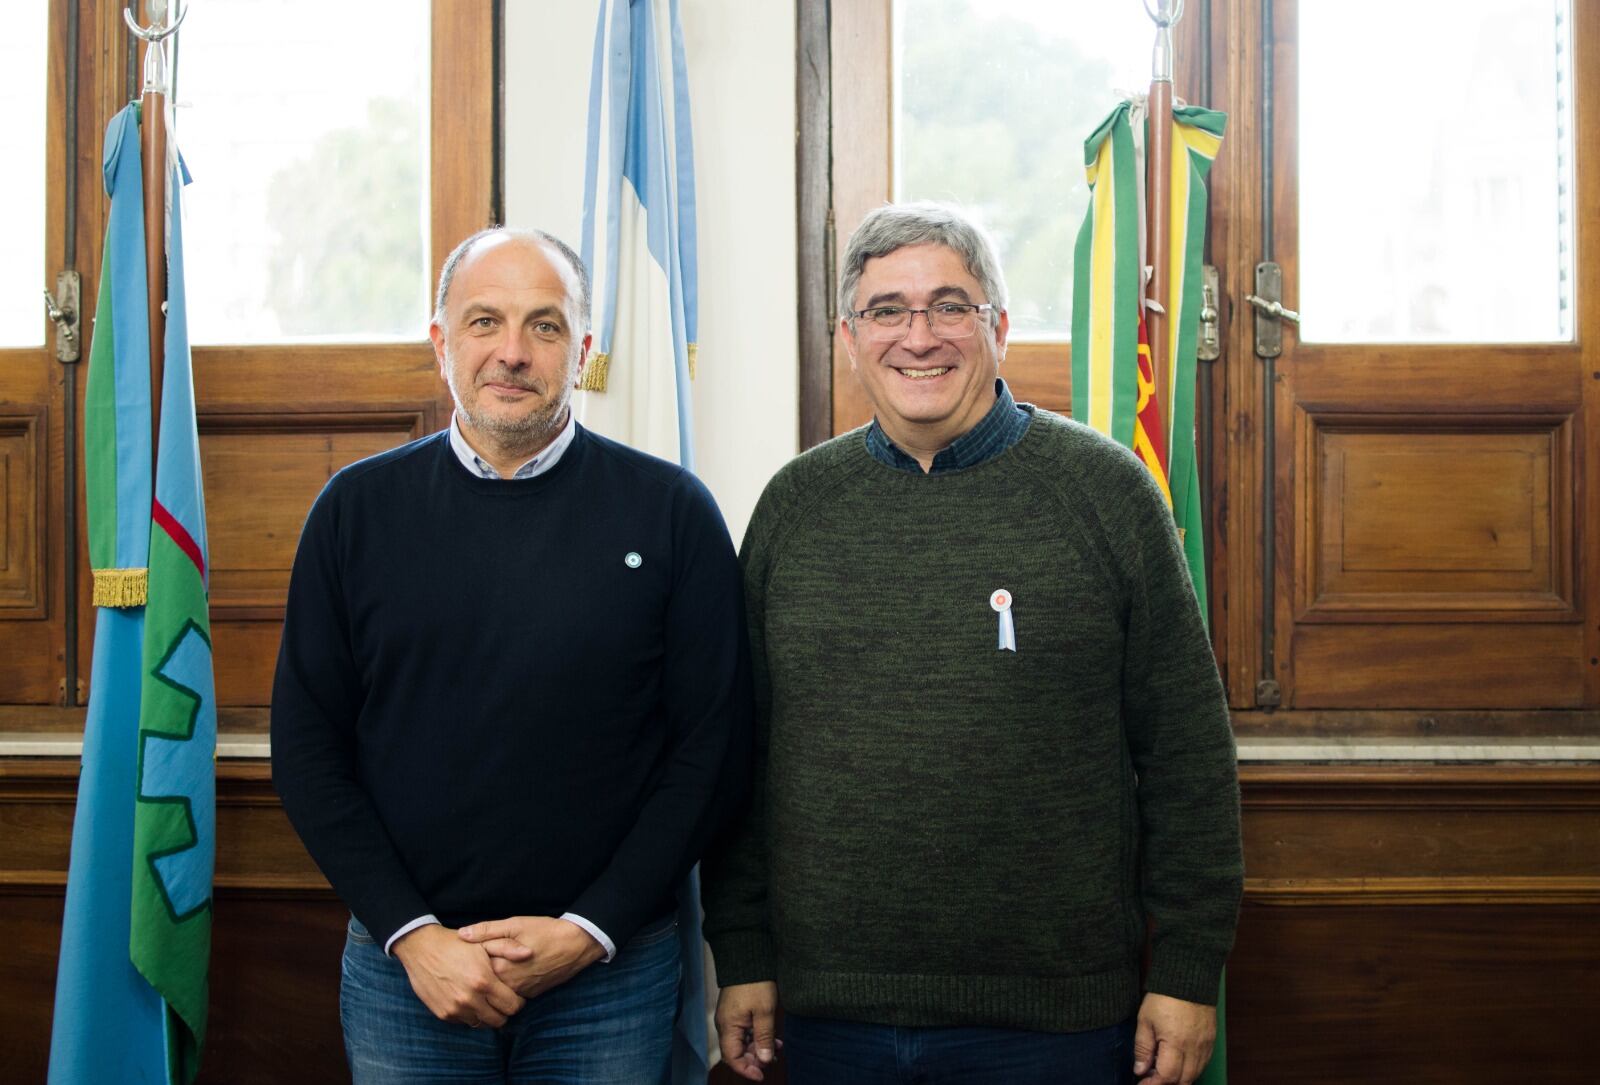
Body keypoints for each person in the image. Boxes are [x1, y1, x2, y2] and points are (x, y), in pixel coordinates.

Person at [702, 202, 1242, 1085]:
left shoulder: (1106, 494)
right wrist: (744, 951)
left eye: (949, 305)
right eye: (887, 310)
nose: (919, 336)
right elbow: (740, 761)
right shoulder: (794, 508)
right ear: (849, 337)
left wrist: (1186, 970)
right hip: (828, 1015)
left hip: (1056, 1023)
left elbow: (1186, 755)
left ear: (997, 327)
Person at [271, 227, 751, 1084]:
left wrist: (588, 929)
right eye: (485, 321)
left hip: (609, 973)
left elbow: (709, 751)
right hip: (407, 975)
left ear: (585, 348)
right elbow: (309, 751)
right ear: (441, 342)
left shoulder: (672, 512)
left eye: (546, 325)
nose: (513, 352)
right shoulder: (355, 511)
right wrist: (413, 936)